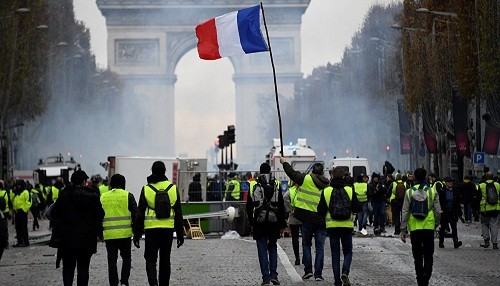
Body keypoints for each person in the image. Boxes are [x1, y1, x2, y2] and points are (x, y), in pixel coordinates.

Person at [134, 161, 184, 286]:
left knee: (150, 259)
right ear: (164, 171)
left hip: (151, 229)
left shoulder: (146, 189)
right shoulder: (173, 188)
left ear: (152, 171)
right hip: (167, 229)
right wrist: (180, 234)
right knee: (165, 260)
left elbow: (140, 213)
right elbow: (178, 213)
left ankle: (153, 283)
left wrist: (137, 234)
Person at [51, 170, 105, 286]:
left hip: (67, 238)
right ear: (84, 181)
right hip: (86, 238)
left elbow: (54, 214)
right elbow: (100, 215)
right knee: (83, 268)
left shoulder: (64, 195)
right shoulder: (93, 196)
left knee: (68, 267)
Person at [280, 158, 329, 281]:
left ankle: (308, 271)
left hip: (307, 219)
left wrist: (284, 162)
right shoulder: (327, 185)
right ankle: (318, 274)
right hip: (321, 220)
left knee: (306, 244)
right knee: (320, 247)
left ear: (312, 171)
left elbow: (292, 173)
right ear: (322, 173)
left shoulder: (306, 179)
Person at [318, 167, 361, 286]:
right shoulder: (350, 190)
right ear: (343, 177)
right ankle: (345, 272)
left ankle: (337, 281)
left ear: (331, 176)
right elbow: (358, 208)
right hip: (347, 226)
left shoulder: (326, 191)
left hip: (332, 227)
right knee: (348, 252)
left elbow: (320, 210)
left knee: (335, 254)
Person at [246, 163, 286, 286]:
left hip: (259, 221)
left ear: (260, 171)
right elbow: (281, 205)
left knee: (262, 249)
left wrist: (252, 222)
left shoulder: (254, 184)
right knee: (273, 247)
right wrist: (281, 223)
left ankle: (266, 278)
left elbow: (249, 206)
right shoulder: (277, 184)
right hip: (273, 222)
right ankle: (274, 275)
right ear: (270, 171)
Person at [400, 168, 441, 286]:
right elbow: (438, 211)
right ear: (426, 177)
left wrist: (403, 229)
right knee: (428, 254)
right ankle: (426, 276)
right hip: (428, 227)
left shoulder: (409, 192)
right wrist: (436, 224)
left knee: (417, 256)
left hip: (415, 228)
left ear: (415, 178)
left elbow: (405, 211)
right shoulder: (432, 191)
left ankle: (420, 280)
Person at [101, 174, 138, 286]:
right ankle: (124, 281)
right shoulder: (128, 196)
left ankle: (113, 283)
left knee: (111, 261)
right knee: (126, 258)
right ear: (124, 184)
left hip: (109, 234)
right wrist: (136, 233)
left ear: (111, 184)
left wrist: (99, 232)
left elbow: (97, 215)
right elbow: (136, 215)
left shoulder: (103, 197)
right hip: (125, 234)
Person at [437, 177, 463, 249]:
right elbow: (439, 201)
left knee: (454, 228)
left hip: (453, 212)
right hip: (444, 212)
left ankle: (455, 242)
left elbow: (457, 203)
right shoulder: (441, 191)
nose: (450, 183)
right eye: (448, 182)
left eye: (451, 182)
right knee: (443, 228)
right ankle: (441, 242)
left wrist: (459, 213)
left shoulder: (455, 191)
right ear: (445, 183)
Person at [478, 172, 500, 249]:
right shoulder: (497, 185)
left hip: (484, 210)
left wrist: (476, 210)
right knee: (494, 226)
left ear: (485, 178)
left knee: (484, 225)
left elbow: (477, 198)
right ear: (492, 177)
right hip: (495, 209)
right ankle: (495, 243)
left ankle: (486, 240)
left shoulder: (481, 186)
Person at [283, 180, 302, 265]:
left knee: (295, 238)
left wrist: (290, 209)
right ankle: (306, 258)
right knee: (306, 239)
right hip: (304, 216)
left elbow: (285, 197)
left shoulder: (291, 190)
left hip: (294, 216)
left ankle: (297, 258)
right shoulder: (304, 190)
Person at [11, 180, 31, 247]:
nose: (18, 186)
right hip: (17, 212)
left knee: (23, 227)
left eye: (19, 185)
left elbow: (28, 202)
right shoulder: (16, 193)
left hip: (22, 212)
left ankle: (26, 241)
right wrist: (13, 190)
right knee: (17, 227)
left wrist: (24, 210)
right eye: (17, 185)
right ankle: (19, 242)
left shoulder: (25, 192)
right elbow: (11, 199)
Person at [0, 180, 10, 260]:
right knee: (4, 230)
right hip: (4, 213)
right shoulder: (5, 192)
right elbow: (8, 202)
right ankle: (5, 243)